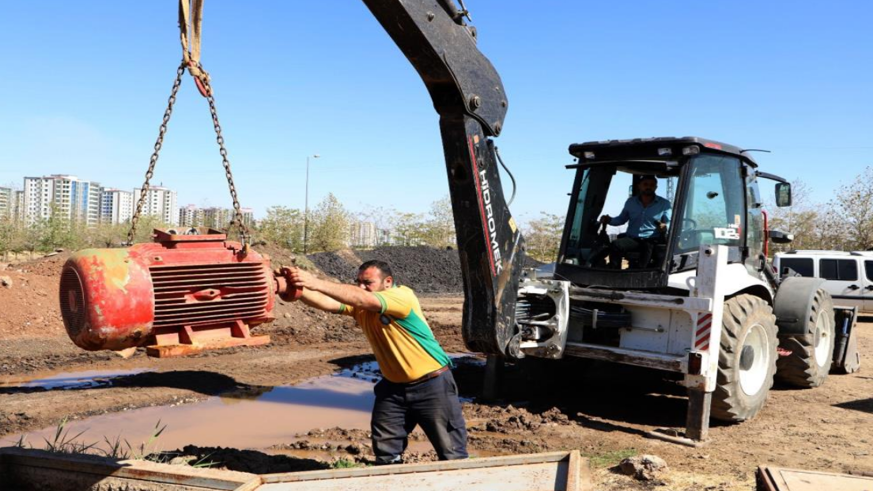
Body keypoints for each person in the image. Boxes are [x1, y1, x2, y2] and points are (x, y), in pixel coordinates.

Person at [285, 260, 467, 464]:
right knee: (386, 450)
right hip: (393, 389)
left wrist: (314, 281)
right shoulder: (362, 305)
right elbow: (328, 303)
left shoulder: (402, 297)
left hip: (432, 385)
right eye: (359, 282)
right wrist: (291, 288)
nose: (361, 287)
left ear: (388, 282)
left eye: (368, 282)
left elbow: (362, 298)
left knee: (452, 452)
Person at [599, 174, 672, 268]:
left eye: (652, 185)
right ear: (639, 186)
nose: (648, 187)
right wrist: (609, 220)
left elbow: (669, 222)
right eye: (645, 184)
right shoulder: (631, 202)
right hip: (633, 239)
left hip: (651, 239)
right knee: (616, 245)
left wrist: (664, 226)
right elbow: (621, 219)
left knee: (644, 263)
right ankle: (615, 272)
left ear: (656, 187)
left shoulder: (664, 204)